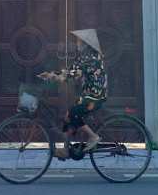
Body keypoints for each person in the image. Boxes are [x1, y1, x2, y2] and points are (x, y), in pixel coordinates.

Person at [39, 29, 107, 160]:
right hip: (88, 96)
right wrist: (52, 75)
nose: (77, 43)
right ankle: (65, 149)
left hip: (95, 98)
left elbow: (73, 74)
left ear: (86, 43)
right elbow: (71, 71)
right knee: (68, 117)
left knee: (73, 112)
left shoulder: (91, 57)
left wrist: (54, 76)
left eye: (79, 41)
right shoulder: (85, 56)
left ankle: (93, 136)